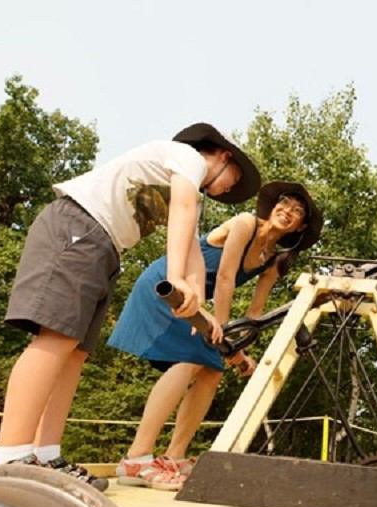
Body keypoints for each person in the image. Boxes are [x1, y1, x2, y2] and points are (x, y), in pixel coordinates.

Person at [0, 123, 260, 492]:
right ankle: (11, 454)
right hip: (79, 226)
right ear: (223, 155)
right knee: (54, 340)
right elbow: (182, 210)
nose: (230, 189)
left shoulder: (185, 189)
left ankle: (47, 454)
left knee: (73, 351)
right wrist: (177, 276)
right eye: (234, 179)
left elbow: (193, 248)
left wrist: (200, 301)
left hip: (105, 246)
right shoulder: (187, 157)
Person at [111, 182, 322, 490]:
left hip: (198, 305)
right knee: (190, 359)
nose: (287, 211)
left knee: (212, 369)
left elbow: (254, 316)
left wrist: (238, 350)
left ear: (300, 225)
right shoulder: (244, 223)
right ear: (272, 206)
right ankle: (136, 457)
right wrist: (219, 332)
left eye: (297, 211)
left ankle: (174, 455)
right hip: (169, 285)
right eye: (284, 204)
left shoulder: (274, 259)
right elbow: (224, 277)